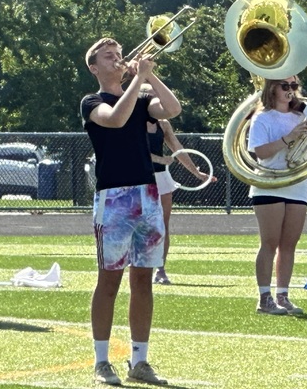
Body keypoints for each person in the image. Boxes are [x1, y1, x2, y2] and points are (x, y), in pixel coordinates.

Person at [82, 38, 181, 386]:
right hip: (113, 198)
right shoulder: (92, 101)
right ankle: (102, 360)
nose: (117, 60)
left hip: (147, 194)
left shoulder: (141, 98)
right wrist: (139, 80)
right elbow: (115, 118)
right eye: (108, 57)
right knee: (109, 281)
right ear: (94, 67)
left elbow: (172, 109)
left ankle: (140, 361)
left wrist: (150, 77)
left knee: (143, 281)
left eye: (118, 55)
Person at [247, 75, 307, 315]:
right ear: (272, 88)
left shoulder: (303, 115)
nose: (291, 91)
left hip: (297, 184)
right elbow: (261, 153)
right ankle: (264, 297)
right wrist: (290, 138)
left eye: (294, 86)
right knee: (269, 242)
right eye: (285, 86)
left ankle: (283, 295)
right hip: (269, 183)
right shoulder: (262, 118)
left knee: (289, 244)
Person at [147, 116, 216, 285]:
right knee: (139, 226)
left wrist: (197, 173)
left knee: (162, 226)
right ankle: (140, 268)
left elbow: (178, 149)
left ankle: (160, 270)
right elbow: (134, 150)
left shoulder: (162, 124)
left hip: (161, 178)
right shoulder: (131, 120)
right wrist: (160, 159)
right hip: (137, 178)